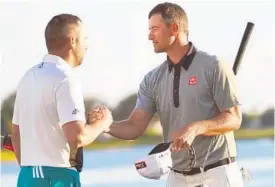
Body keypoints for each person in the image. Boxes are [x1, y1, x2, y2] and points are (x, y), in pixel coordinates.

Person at [90, 2, 244, 187]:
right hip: (177, 177)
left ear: (174, 28)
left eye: (155, 28)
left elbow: (234, 119)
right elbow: (135, 126)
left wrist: (197, 127)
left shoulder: (214, 65)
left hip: (217, 172)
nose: (149, 36)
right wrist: (106, 126)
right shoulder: (152, 79)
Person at [11, 13, 112, 187]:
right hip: (57, 177)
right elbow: (77, 136)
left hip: (26, 177)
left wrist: (32, 171)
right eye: (84, 39)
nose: (86, 45)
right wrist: (102, 124)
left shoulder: (28, 77)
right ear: (73, 41)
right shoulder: (65, 79)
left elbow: (16, 134)